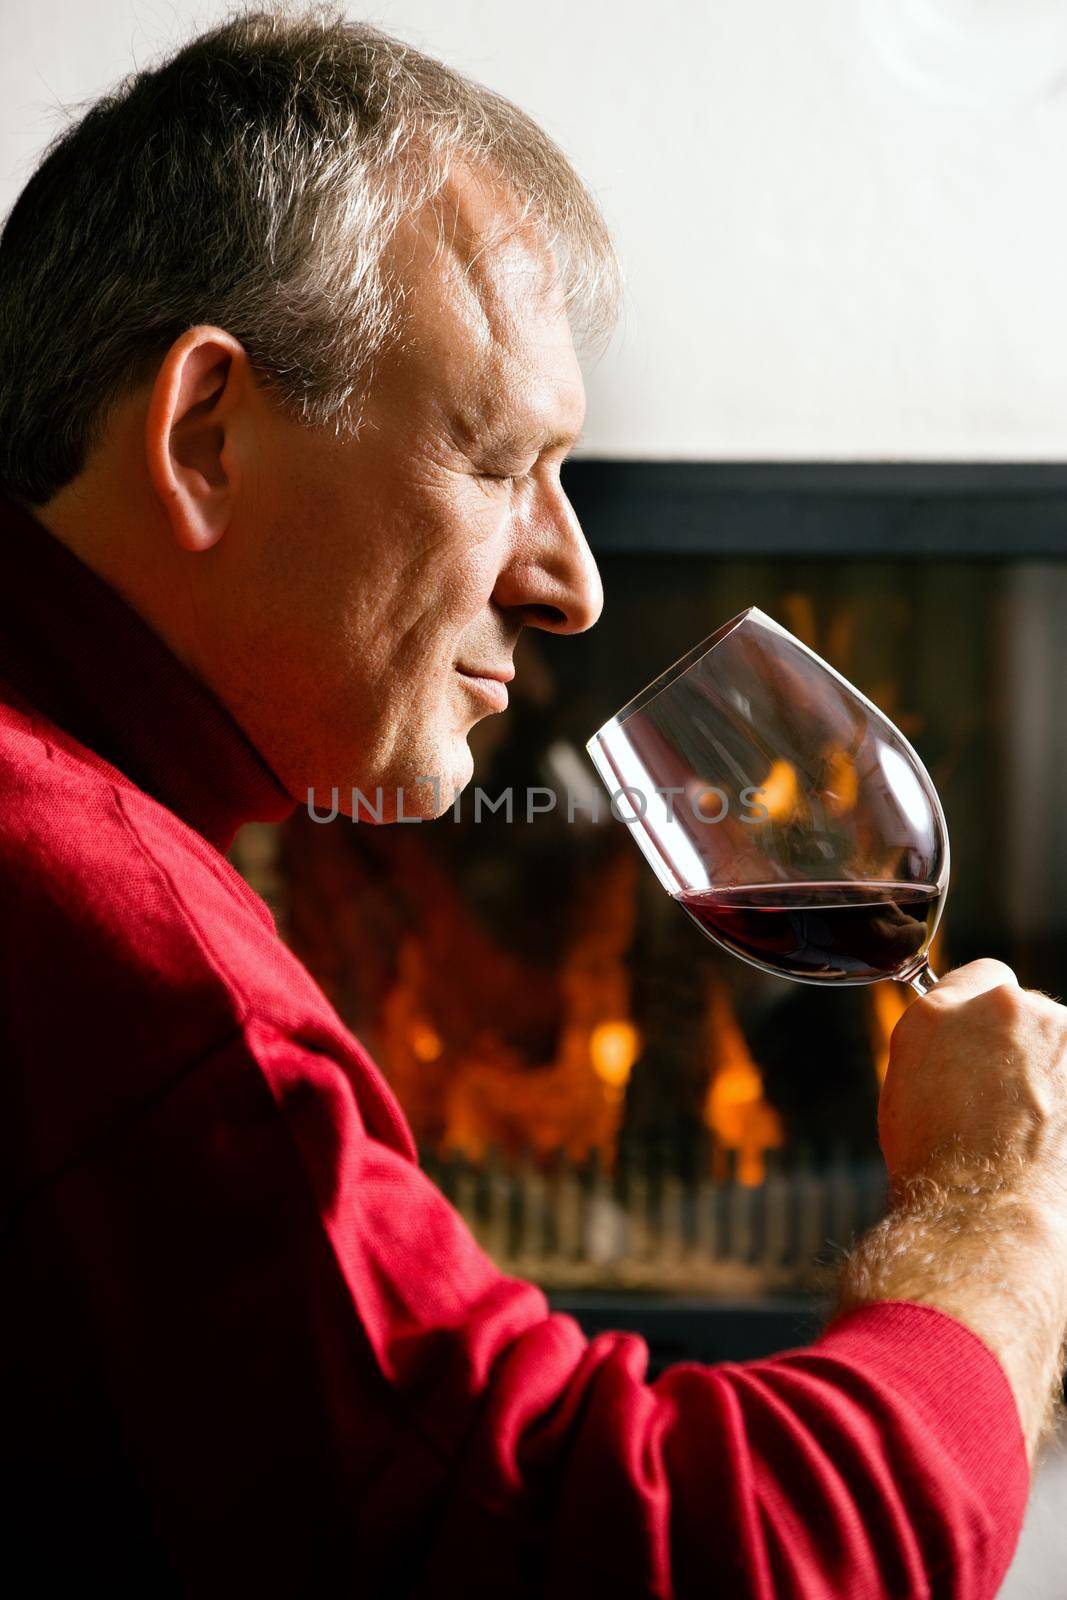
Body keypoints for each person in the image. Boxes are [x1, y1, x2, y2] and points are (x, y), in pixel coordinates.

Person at [1, 9, 1064, 1596]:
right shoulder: (124, 944)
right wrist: (1005, 1208)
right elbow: (743, 1562)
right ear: (206, 434)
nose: (572, 583)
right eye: (503, 462)